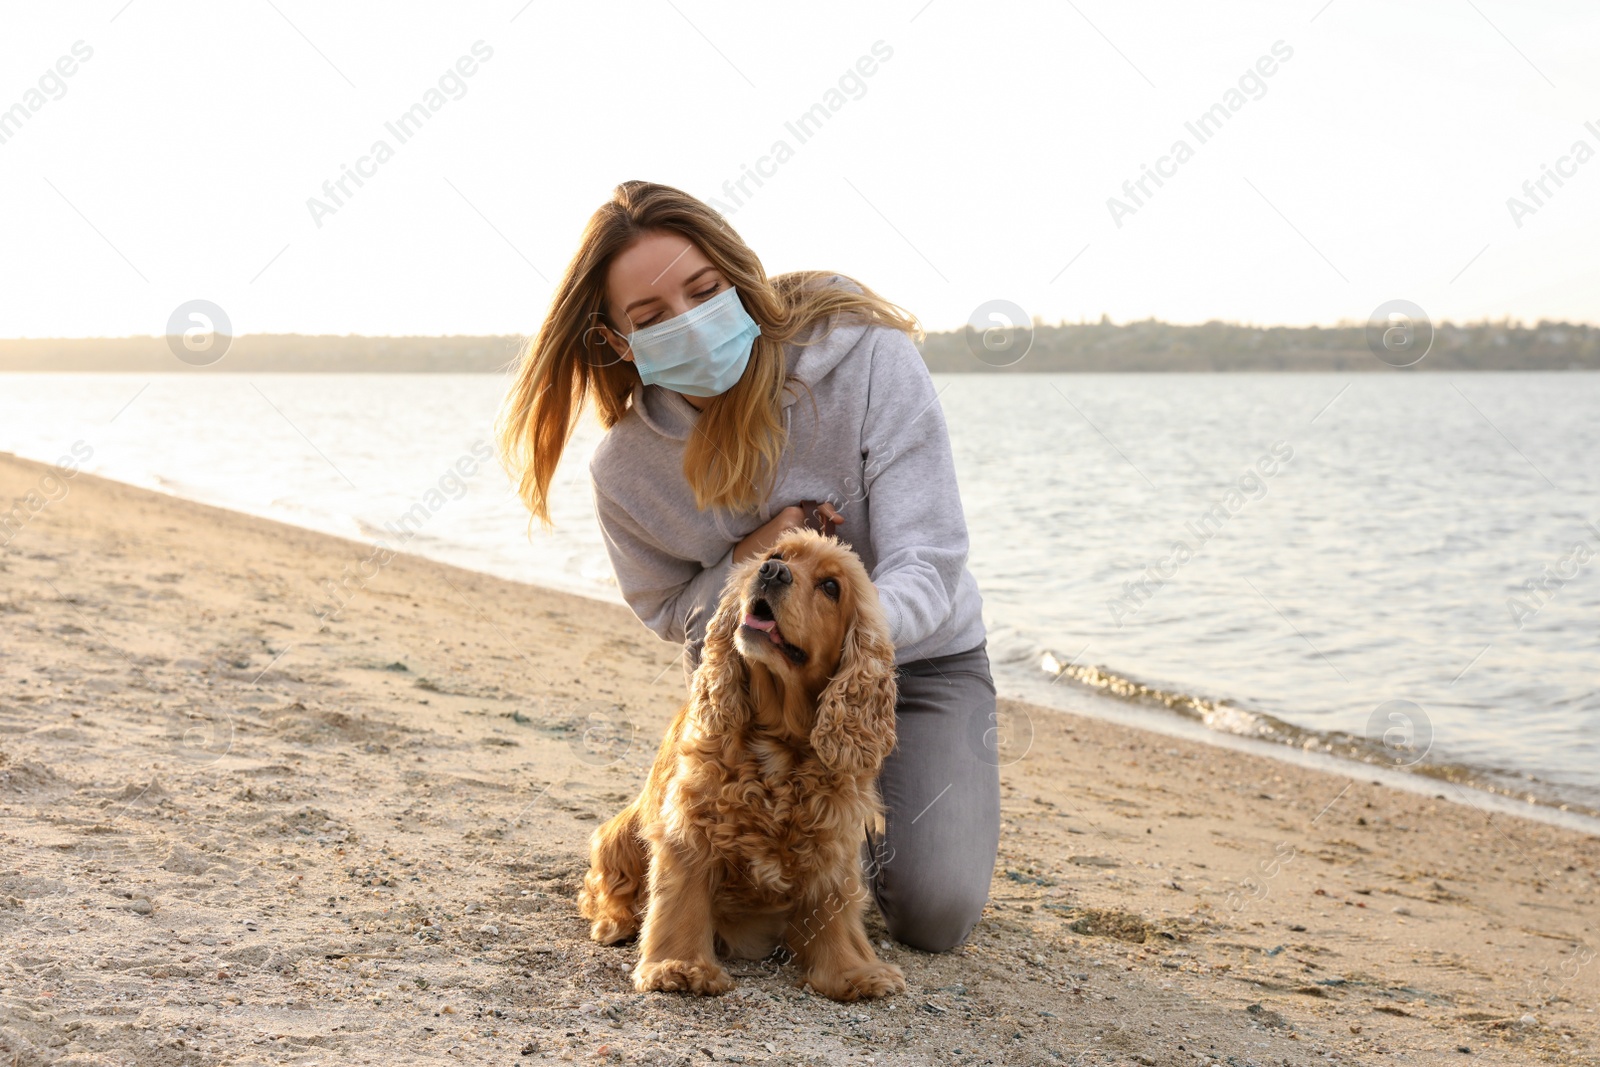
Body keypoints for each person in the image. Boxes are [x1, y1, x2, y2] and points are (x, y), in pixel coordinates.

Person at [495, 180, 999, 953]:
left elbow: (929, 559)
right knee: (748, 894)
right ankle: (685, 842)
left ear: (739, 275)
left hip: (918, 662)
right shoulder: (626, 471)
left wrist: (847, 638)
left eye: (703, 291)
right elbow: (670, 611)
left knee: (936, 913)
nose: (690, 325)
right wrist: (746, 560)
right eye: (652, 317)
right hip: (759, 689)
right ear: (617, 341)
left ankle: (828, 844)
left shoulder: (863, 359)